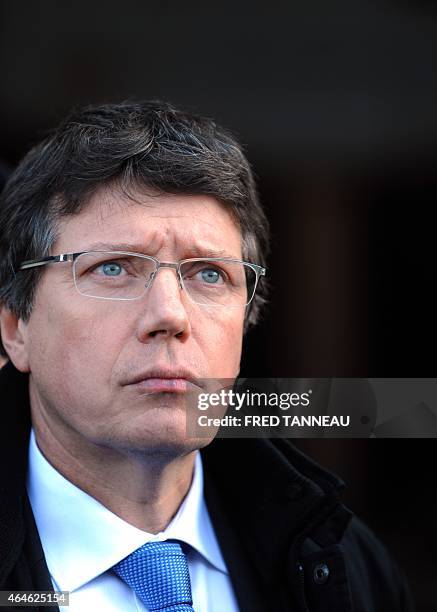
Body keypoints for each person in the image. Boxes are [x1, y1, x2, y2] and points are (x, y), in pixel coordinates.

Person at [0, 100, 414, 612]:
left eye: (209, 274)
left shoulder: (351, 569)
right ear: (15, 328)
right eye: (112, 269)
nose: (170, 316)